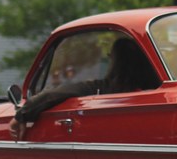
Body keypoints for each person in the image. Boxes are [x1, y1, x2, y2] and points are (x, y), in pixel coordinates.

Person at [9, 38, 157, 140]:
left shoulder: (102, 88)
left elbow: (56, 94)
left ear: (115, 62)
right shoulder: (156, 94)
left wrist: (21, 115)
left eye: (110, 57)